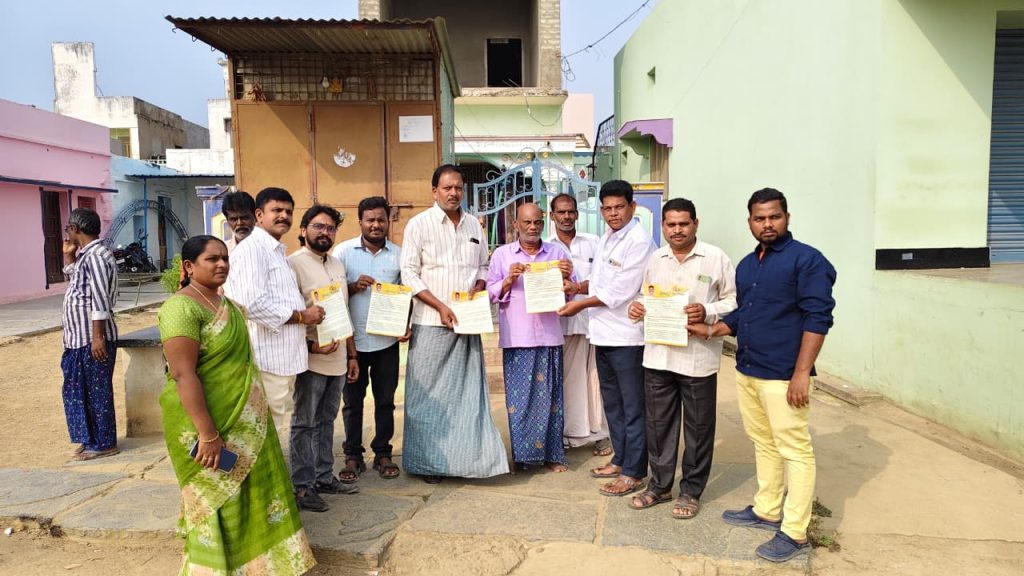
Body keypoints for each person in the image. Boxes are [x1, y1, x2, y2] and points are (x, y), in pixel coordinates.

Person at [691, 188, 836, 562]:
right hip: (749, 368)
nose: (767, 224)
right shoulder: (747, 264)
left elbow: (818, 318)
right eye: (760, 218)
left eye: (774, 217)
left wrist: (801, 373)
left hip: (784, 374)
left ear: (787, 217)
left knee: (795, 449)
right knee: (763, 441)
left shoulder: (807, 260)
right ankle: (767, 509)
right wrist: (712, 329)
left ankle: (795, 532)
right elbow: (744, 314)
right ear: (750, 222)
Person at [159, 235, 315, 575]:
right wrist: (208, 434)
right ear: (189, 266)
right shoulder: (180, 309)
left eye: (225, 258)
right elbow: (183, 374)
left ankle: (260, 567)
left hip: (247, 420)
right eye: (212, 259)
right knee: (219, 498)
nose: (221, 264)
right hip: (208, 422)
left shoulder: (227, 304)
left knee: (254, 494)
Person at [626, 198, 737, 519]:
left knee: (698, 429)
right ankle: (659, 486)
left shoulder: (715, 258)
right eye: (671, 224)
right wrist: (637, 307)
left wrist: (707, 310)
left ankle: (690, 491)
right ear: (663, 226)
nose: (677, 230)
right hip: (658, 356)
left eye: (683, 224)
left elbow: (734, 301)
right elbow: (646, 295)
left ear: (695, 224)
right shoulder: (655, 258)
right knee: (658, 426)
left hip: (697, 359)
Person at [400, 164, 509, 484]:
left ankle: (467, 461)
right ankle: (428, 464)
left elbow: (485, 265)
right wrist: (440, 306)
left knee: (466, 396)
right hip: (430, 322)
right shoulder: (419, 224)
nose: (453, 193)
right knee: (426, 397)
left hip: (466, 323)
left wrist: (479, 286)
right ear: (434, 191)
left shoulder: (474, 224)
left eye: (458, 188)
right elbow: (409, 273)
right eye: (447, 188)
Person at [558, 180, 655, 497]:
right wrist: (577, 288)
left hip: (627, 338)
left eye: (619, 207)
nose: (614, 213)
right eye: (608, 208)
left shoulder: (639, 241)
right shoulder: (607, 238)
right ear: (601, 210)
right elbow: (599, 281)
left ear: (632, 207)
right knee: (613, 404)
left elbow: (618, 291)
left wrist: (579, 304)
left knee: (632, 407)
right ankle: (620, 459)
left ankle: (634, 472)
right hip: (601, 334)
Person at [224, 187, 325, 432]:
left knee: (271, 428)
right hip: (267, 361)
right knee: (264, 432)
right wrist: (302, 316)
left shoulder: (275, 251)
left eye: (288, 211)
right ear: (259, 215)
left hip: (282, 359)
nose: (284, 216)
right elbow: (250, 304)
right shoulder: (253, 250)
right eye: (276, 210)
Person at [486, 202, 575, 472]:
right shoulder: (502, 255)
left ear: (543, 223)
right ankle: (523, 457)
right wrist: (507, 280)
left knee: (551, 400)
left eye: (537, 222)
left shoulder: (557, 254)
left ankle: (552, 455)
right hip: (518, 338)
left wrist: (567, 279)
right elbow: (489, 294)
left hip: (549, 336)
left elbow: (571, 292)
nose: (532, 227)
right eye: (527, 222)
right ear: (516, 224)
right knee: (520, 402)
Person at [287, 205, 360, 512]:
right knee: (304, 423)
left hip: (338, 358)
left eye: (330, 228)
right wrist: (312, 347)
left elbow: (343, 311)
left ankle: (323, 476)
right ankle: (303, 486)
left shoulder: (337, 264)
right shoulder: (293, 265)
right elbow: (290, 315)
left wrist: (352, 355)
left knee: (326, 420)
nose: (325, 232)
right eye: (318, 226)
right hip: (311, 360)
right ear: (303, 229)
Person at [333, 196, 407, 482]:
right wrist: (352, 287)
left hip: (386, 342)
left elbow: (407, 294)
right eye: (370, 220)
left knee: (385, 401)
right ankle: (353, 456)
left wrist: (405, 323)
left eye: (380, 220)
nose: (376, 225)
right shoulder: (343, 252)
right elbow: (333, 294)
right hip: (353, 343)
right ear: (360, 222)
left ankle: (383, 453)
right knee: (352, 403)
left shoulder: (399, 255)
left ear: (388, 221)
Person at [547, 193, 610, 456]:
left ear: (577, 214)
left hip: (595, 322)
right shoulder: (546, 248)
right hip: (562, 325)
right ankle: (568, 435)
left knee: (597, 381)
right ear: (552, 216)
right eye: (561, 212)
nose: (566, 217)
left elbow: (606, 279)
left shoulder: (595, 242)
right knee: (569, 382)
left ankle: (601, 434)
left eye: (570, 212)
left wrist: (579, 287)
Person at [60, 208, 119, 461]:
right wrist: (69, 257)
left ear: (75, 229)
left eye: (68, 229)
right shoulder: (87, 256)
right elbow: (79, 284)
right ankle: (91, 440)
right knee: (80, 392)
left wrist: (97, 337)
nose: (67, 234)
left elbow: (99, 298)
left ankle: (104, 443)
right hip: (78, 340)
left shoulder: (95, 256)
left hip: (91, 339)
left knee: (97, 392)